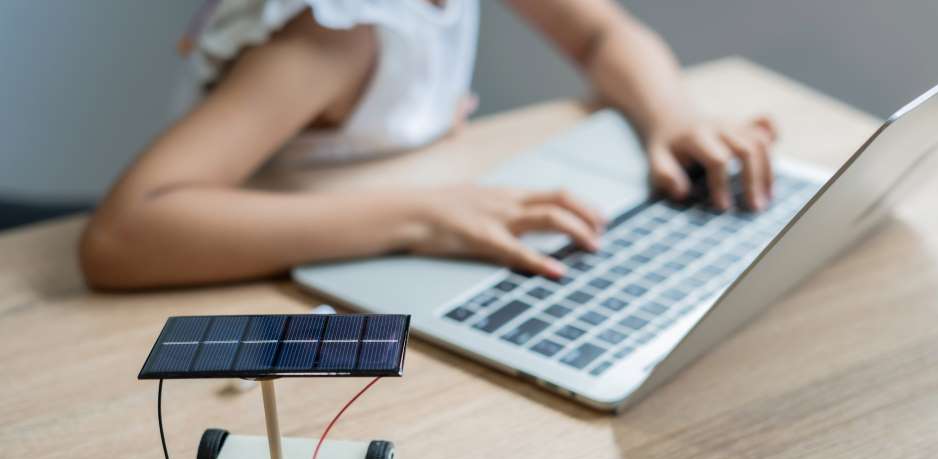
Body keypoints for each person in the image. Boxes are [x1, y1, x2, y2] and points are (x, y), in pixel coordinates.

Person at [80, 0, 776, 289]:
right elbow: (124, 232)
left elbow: (603, 35)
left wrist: (673, 113)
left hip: (368, 243)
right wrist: (425, 216)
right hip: (265, 281)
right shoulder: (332, 35)